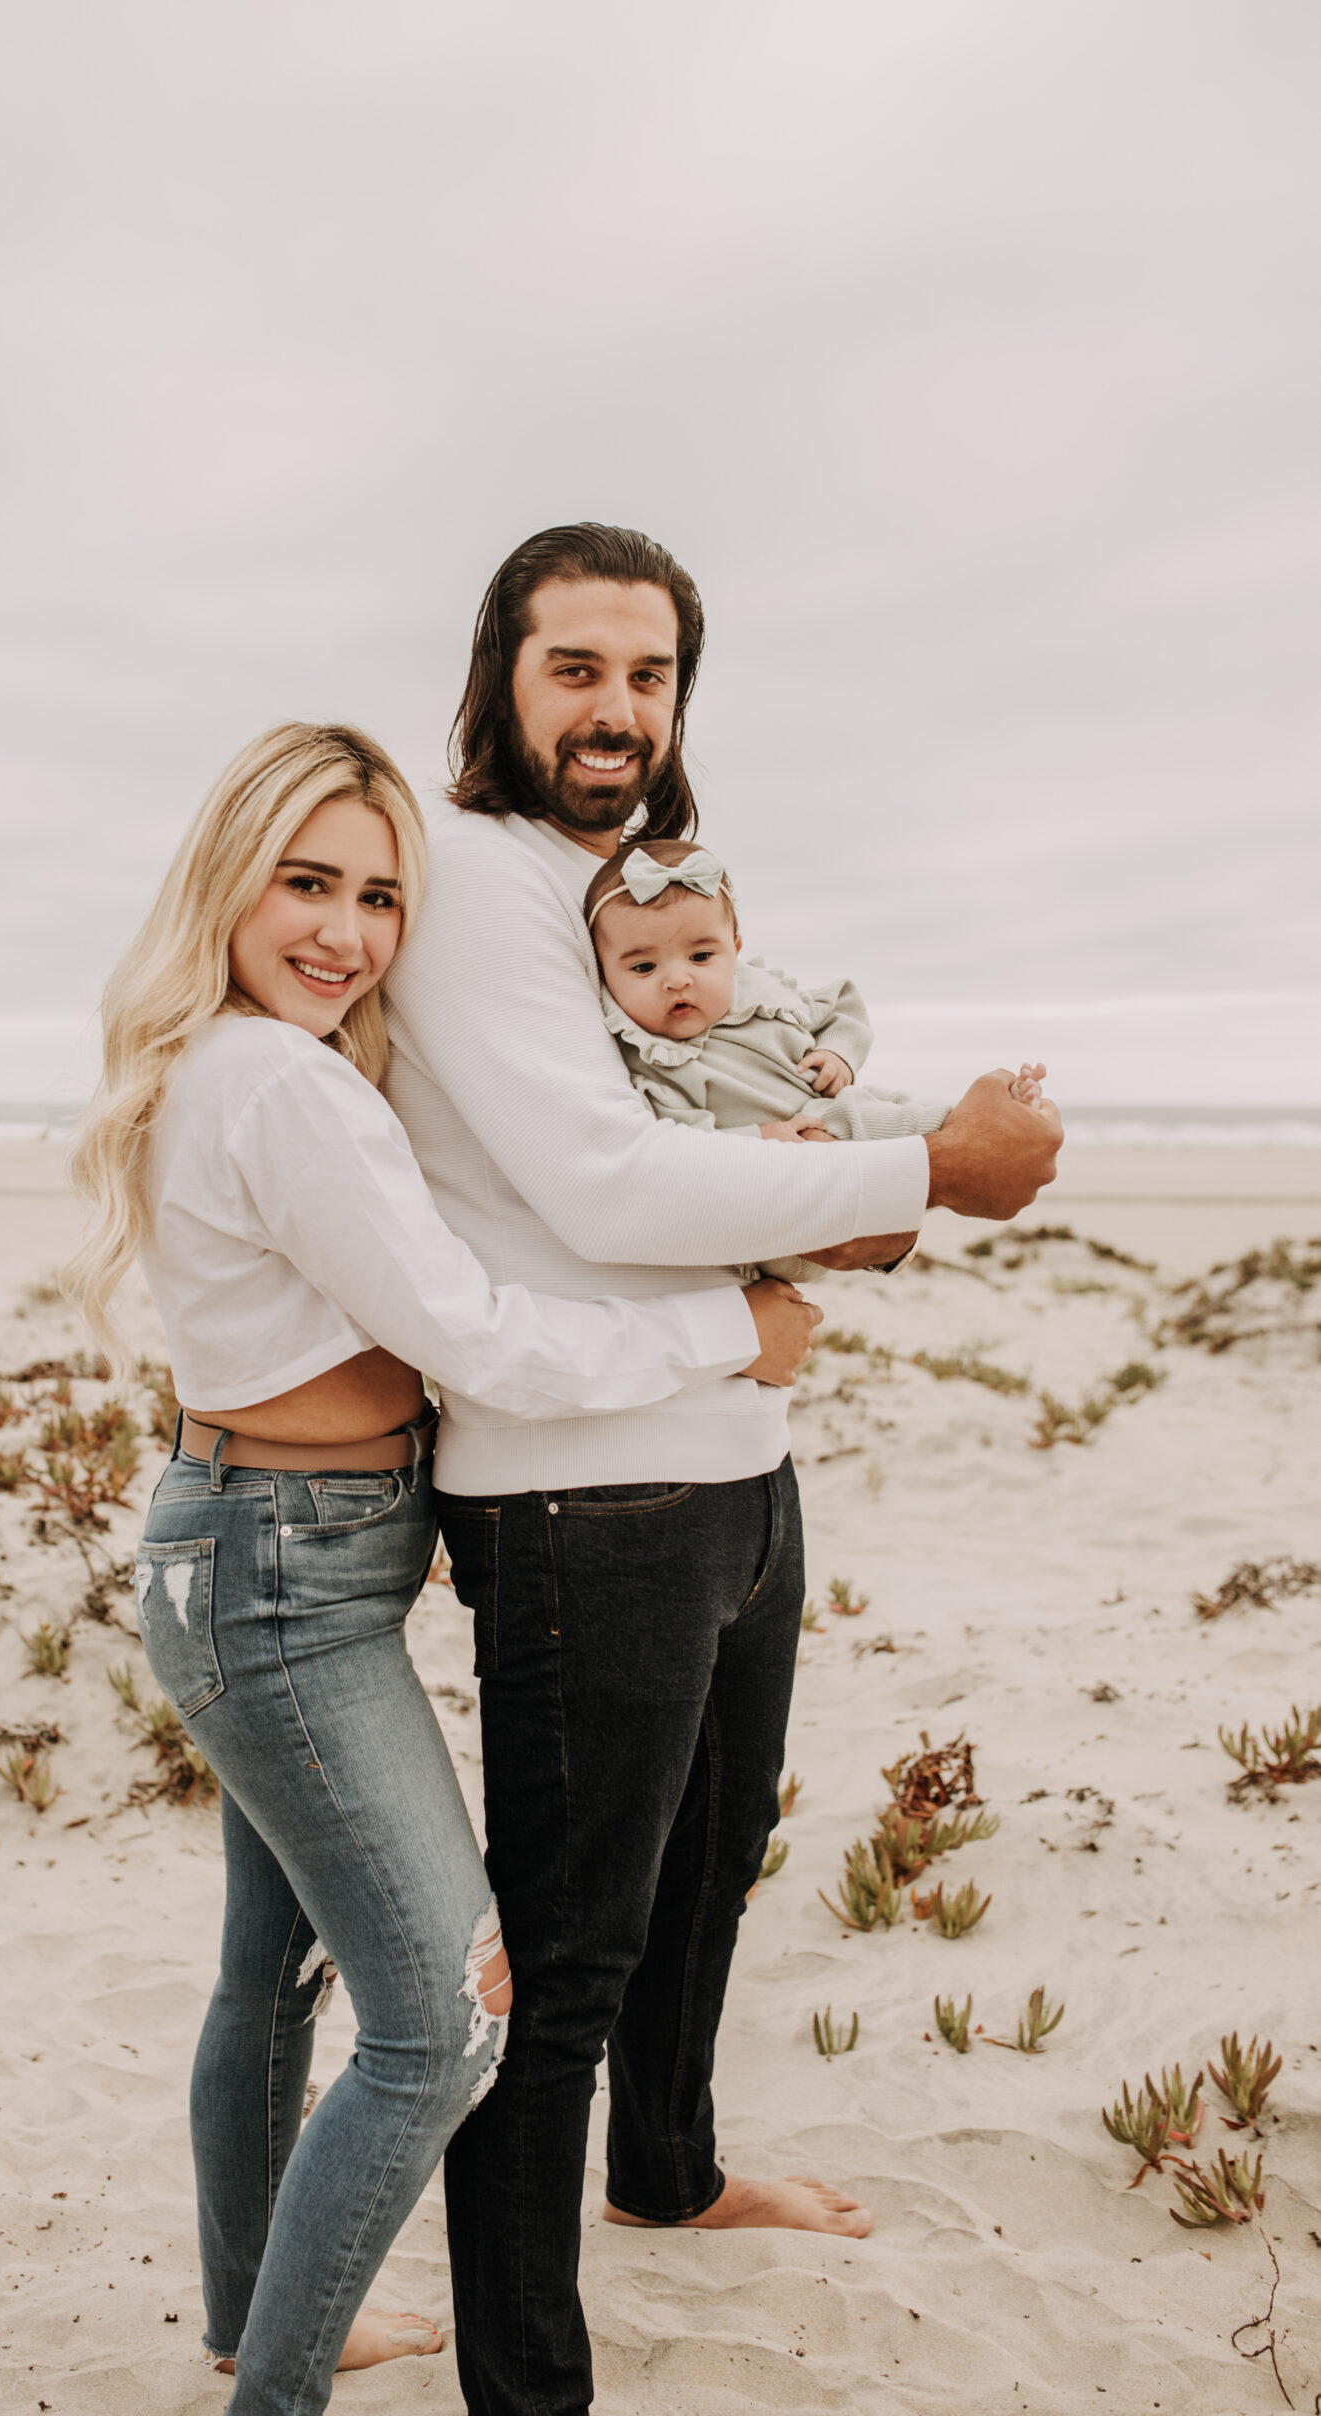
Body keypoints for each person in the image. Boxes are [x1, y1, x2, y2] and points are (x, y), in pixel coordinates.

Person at [381, 521, 1063, 2416]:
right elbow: (599, 1184)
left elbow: (706, 1138)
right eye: (574, 667)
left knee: (710, 1865)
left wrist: (830, 1196)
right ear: (499, 678)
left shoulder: (626, 889)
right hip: (578, 1492)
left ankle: (667, 2176)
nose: (615, 709)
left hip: (730, 1456)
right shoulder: (473, 883)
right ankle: (530, 2384)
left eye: (649, 674)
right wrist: (927, 1175)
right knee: (571, 1953)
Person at [63, 719, 820, 2416]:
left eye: (381, 896)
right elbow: (471, 1333)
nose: (344, 930)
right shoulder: (279, 1083)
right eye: (306, 883)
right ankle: (273, 2383)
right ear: (228, 882)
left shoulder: (266, 1061)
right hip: (277, 1582)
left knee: (276, 1969)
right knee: (444, 2022)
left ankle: (254, 2320)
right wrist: (730, 1330)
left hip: (265, 1556)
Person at [585, 833, 1048, 1280]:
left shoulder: (762, 995)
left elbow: (843, 1006)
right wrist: (761, 1137)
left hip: (835, 1139)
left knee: (888, 1111)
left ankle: (996, 1115)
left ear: (735, 951)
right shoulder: (652, 1060)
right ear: (604, 975)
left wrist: (837, 1054)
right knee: (846, 1123)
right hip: (779, 1209)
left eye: (702, 956)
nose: (677, 979)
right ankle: (969, 1138)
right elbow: (679, 1143)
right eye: (644, 967)